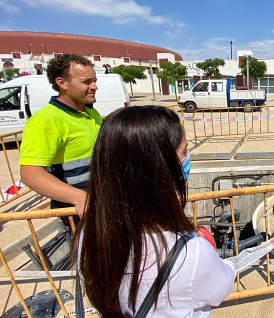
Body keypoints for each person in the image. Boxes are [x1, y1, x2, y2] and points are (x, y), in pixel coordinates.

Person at [75, 106, 236, 317]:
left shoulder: (88, 236)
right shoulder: (191, 254)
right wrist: (208, 247)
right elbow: (221, 287)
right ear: (160, 168)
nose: (187, 159)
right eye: (184, 151)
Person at [19, 53, 101, 221]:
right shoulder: (45, 121)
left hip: (101, 203)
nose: (94, 87)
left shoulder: (91, 112)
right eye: (86, 82)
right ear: (61, 83)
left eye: (94, 81)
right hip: (78, 212)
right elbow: (30, 173)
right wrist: (79, 198)